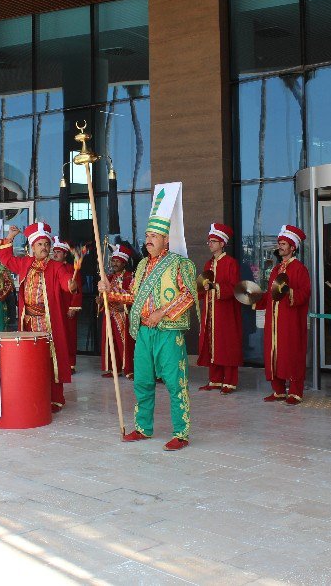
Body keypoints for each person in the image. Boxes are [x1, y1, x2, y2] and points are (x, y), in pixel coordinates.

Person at [99, 189, 198, 451]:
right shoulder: (141, 266)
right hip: (144, 332)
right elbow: (132, 297)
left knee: (176, 384)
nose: (148, 240)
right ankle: (143, 427)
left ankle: (181, 432)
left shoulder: (180, 264)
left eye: (154, 236)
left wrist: (162, 312)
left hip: (168, 332)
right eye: (147, 236)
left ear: (166, 239)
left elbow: (189, 295)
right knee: (142, 381)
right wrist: (109, 291)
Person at [0, 222, 79, 412]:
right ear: (32, 247)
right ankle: (32, 394)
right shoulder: (25, 263)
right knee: (30, 359)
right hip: (28, 321)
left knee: (50, 359)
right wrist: (10, 237)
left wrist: (71, 285)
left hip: (48, 321)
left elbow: (66, 282)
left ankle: (54, 398)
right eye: (40, 244)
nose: (44, 247)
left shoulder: (56, 266)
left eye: (47, 244)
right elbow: (5, 258)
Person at [255, 225, 310, 405]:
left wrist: (289, 291)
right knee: (274, 353)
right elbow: (271, 293)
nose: (280, 246)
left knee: (292, 352)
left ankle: (295, 392)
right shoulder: (276, 269)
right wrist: (254, 298)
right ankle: (278, 390)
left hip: (290, 320)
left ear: (293, 247)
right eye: (279, 243)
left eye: (284, 243)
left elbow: (305, 293)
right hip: (273, 320)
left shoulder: (299, 269)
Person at [197, 223, 243, 394]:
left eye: (214, 241)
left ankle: (229, 381)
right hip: (210, 311)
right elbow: (202, 287)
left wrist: (216, 287)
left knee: (226, 344)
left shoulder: (231, 263)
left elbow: (235, 288)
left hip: (226, 312)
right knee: (211, 342)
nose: (210, 244)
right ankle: (215, 379)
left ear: (222, 243)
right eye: (209, 241)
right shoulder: (208, 264)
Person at [98, 243, 135, 379]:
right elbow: (105, 295)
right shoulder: (109, 278)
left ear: (124, 263)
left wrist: (124, 306)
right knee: (110, 341)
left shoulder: (130, 277)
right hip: (110, 313)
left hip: (123, 315)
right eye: (113, 260)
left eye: (117, 261)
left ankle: (129, 370)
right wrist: (101, 300)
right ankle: (114, 368)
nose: (114, 263)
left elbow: (134, 296)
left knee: (125, 343)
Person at [51, 238, 83, 374]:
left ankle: (70, 364)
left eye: (58, 252)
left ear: (65, 254)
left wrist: (73, 307)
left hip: (67, 308)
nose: (55, 254)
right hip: (55, 308)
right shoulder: (50, 269)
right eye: (54, 252)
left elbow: (77, 289)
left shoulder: (71, 269)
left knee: (69, 336)